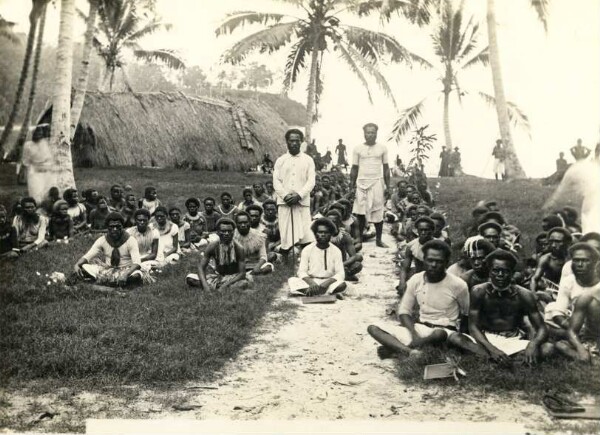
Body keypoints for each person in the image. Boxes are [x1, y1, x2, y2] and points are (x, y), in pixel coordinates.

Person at [368, 240, 480, 358]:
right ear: (424, 259)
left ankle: (397, 349)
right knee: (373, 328)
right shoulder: (416, 279)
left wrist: (461, 338)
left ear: (446, 263)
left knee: (439, 334)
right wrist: (414, 334)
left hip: (445, 332)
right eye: (430, 260)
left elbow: (466, 314)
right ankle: (410, 352)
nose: (433, 265)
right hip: (420, 329)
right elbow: (404, 312)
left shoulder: (458, 284)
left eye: (439, 261)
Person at [468, 249, 551, 364]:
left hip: (513, 339)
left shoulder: (524, 294)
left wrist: (533, 344)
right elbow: (473, 326)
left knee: (548, 348)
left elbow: (542, 328)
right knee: (456, 338)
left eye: (505, 271)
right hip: (486, 338)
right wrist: (492, 349)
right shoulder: (478, 291)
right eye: (496, 271)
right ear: (489, 271)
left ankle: (499, 359)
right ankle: (506, 358)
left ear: (512, 273)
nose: (500, 275)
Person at [273, 129, 316, 262]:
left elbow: (311, 181)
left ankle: (306, 259)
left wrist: (299, 195)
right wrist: (285, 196)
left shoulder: (308, 160)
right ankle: (285, 258)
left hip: (301, 202)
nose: (294, 143)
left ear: (301, 142)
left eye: (297, 140)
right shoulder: (280, 160)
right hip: (284, 202)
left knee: (305, 232)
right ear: (287, 142)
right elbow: (276, 181)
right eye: (291, 140)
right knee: (285, 232)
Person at [73, 212, 147, 287]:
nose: (115, 229)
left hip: (126, 270)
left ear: (122, 226)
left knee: (136, 275)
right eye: (112, 226)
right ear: (107, 227)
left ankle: (102, 282)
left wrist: (125, 274)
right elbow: (87, 256)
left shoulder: (130, 240)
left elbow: (137, 263)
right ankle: (115, 284)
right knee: (84, 267)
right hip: (108, 269)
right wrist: (77, 264)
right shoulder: (102, 240)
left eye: (118, 226)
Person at [545, 241, 600, 341]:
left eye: (585, 261)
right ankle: (575, 336)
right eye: (576, 260)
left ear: (595, 262)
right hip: (574, 321)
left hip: (596, 323)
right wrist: (572, 327)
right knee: (550, 310)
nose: (579, 264)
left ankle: (572, 337)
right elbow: (558, 311)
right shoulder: (569, 281)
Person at [350, 123, 390, 248]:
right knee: (360, 212)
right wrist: (351, 185)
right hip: (361, 183)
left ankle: (378, 240)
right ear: (364, 133)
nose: (370, 135)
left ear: (376, 133)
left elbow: (386, 168)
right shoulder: (357, 148)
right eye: (368, 132)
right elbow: (354, 168)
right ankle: (360, 239)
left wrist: (388, 186)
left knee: (378, 211)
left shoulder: (382, 148)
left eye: (373, 132)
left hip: (377, 182)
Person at [185, 217, 250, 291]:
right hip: (218, 276)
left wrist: (225, 285)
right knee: (190, 278)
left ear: (233, 232)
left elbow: (242, 274)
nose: (226, 234)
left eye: (229, 231)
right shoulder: (212, 246)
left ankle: (219, 287)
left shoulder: (239, 248)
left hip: (234, 278)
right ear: (218, 232)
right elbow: (201, 267)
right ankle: (222, 288)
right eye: (223, 231)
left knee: (243, 283)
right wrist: (205, 286)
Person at [288, 217, 347, 297]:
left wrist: (327, 283)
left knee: (342, 284)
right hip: (311, 281)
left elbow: (340, 273)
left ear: (330, 234)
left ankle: (312, 292)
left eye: (326, 232)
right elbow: (301, 271)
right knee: (292, 281)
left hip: (329, 282)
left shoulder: (336, 251)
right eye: (320, 232)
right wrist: (311, 282)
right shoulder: (307, 249)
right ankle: (327, 293)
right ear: (315, 234)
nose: (323, 235)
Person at [397, 216, 436, 294]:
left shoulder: (438, 245)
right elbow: (405, 267)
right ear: (417, 230)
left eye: (426, 230)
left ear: (432, 231)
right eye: (421, 230)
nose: (423, 233)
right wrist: (402, 282)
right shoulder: (412, 245)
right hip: (418, 276)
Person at [530, 227, 572, 295]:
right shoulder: (546, 259)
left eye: (558, 242)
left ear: (567, 242)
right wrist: (533, 295)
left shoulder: (573, 258)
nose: (553, 245)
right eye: (551, 241)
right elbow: (534, 279)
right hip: (552, 291)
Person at [326, 209, 363, 282]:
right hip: (324, 264)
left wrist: (342, 264)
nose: (331, 224)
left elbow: (353, 256)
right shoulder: (321, 234)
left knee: (357, 265)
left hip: (340, 263)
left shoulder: (344, 236)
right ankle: (344, 275)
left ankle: (341, 274)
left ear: (339, 222)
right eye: (329, 221)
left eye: (334, 221)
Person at [234, 211, 273, 276]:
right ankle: (247, 275)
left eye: (245, 222)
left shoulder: (259, 236)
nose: (243, 225)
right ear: (236, 224)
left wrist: (257, 267)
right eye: (240, 223)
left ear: (249, 222)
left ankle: (249, 274)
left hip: (254, 264)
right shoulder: (232, 236)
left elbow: (263, 256)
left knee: (268, 267)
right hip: (238, 266)